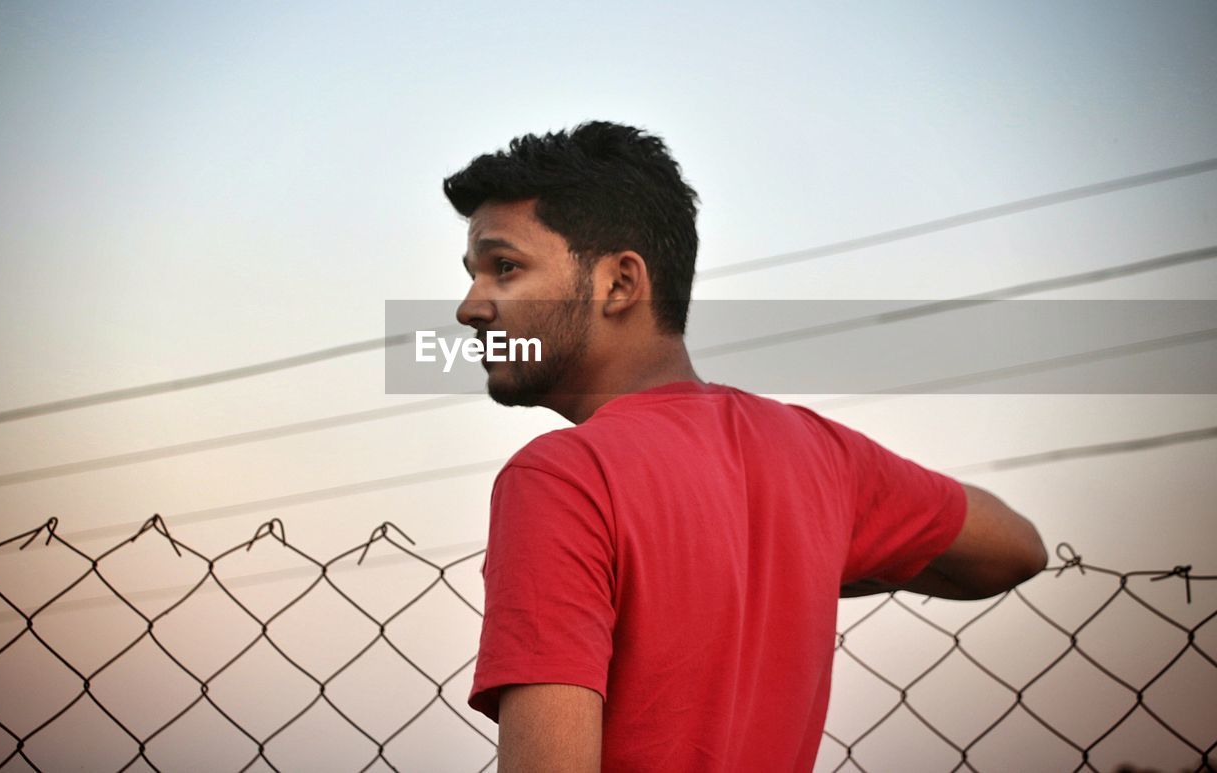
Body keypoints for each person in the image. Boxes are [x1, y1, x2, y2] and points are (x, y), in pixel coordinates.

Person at [442, 121, 1047, 772]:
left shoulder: (562, 476)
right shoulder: (816, 454)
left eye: (505, 267)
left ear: (619, 283)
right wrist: (788, 569)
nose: (470, 308)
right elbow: (1015, 546)